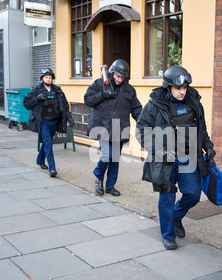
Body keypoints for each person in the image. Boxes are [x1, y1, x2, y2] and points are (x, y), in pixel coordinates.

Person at [136, 66, 215, 250]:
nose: (182, 91)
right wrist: (159, 151)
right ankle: (168, 235)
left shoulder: (193, 102)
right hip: (166, 160)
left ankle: (176, 217)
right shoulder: (155, 105)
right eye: (178, 88)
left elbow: (201, 128)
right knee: (167, 197)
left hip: (188, 157)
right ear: (168, 87)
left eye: (185, 88)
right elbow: (141, 131)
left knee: (193, 194)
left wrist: (208, 146)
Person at [84, 59, 142, 196]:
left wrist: (143, 121)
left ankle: (110, 186)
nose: (120, 79)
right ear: (112, 73)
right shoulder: (100, 84)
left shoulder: (129, 90)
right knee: (107, 155)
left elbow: (136, 109)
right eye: (117, 76)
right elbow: (88, 99)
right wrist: (103, 94)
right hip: (102, 126)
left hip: (119, 128)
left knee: (115, 159)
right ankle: (98, 177)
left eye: (122, 77)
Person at [24, 68, 74, 177]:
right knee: (48, 144)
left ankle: (40, 160)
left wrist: (69, 117)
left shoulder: (58, 91)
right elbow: (26, 104)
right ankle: (52, 168)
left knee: (47, 143)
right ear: (42, 78)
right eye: (46, 77)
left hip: (54, 121)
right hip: (43, 122)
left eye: (50, 77)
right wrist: (37, 98)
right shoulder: (37, 90)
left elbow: (65, 106)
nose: (48, 79)